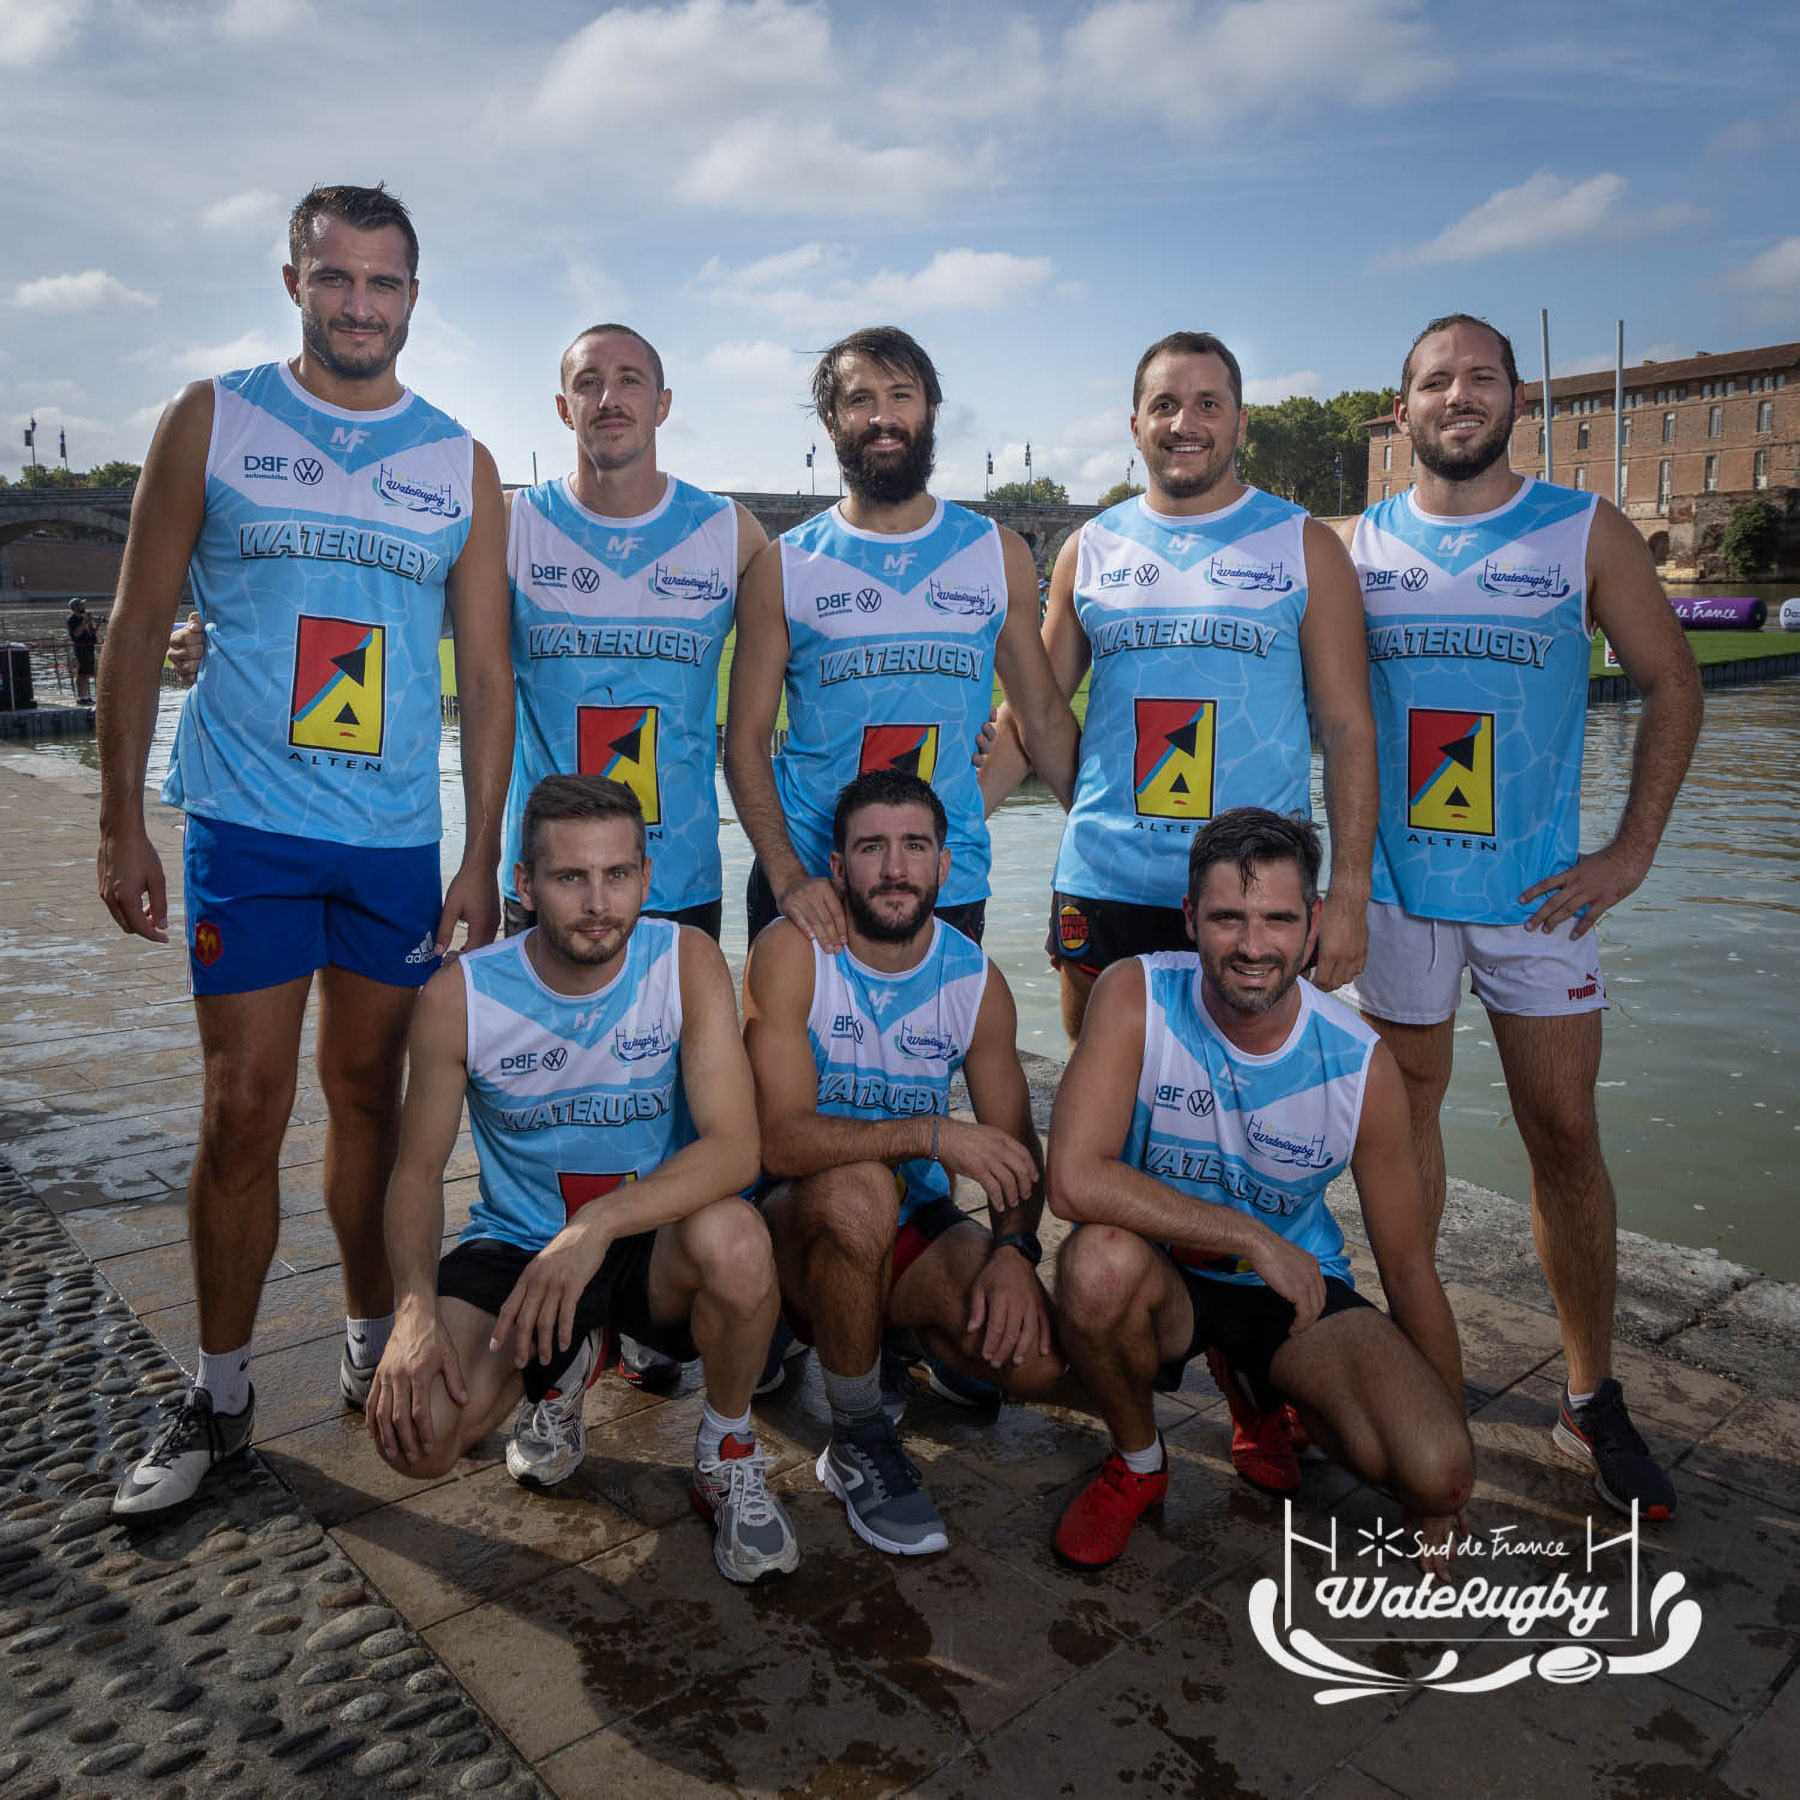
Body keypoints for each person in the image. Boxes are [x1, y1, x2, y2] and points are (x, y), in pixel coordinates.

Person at [167, 321, 764, 1397]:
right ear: (562, 408)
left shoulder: (733, 535)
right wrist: (226, 633)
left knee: (661, 1115)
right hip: (551, 880)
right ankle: (550, 1331)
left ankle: (637, 1321)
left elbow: (801, 643)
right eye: (590, 382)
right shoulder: (515, 521)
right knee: (537, 1106)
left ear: (665, 403)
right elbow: (405, 612)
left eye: (632, 381)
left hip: (678, 882)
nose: (612, 399)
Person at [98, 183, 514, 1517]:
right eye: (336, 280)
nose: (360, 306)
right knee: (241, 1112)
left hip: (394, 843)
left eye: (385, 285)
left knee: (375, 1105)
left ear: (411, 298)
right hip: (244, 826)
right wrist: (119, 818)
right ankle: (218, 1398)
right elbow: (135, 619)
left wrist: (480, 853)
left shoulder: (459, 462)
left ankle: (363, 1336)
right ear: (295, 283)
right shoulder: (213, 417)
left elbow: (490, 680)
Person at [1340, 313, 1702, 1521]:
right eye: (1435, 381)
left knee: (1562, 1130)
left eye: (1480, 378)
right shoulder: (1352, 546)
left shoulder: (1580, 528)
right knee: (1406, 1126)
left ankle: (1590, 1398)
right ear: (1402, 412)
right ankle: (1418, 1363)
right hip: (1396, 894)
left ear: (1517, 397)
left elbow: (1672, 680)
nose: (1459, 396)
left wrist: (1632, 851)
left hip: (1540, 898)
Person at [365, 776, 796, 1584]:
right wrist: (414, 1311)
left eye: (618, 875)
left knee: (738, 1240)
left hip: (644, 1244)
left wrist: (596, 1228)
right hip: (522, 1248)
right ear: (523, 885)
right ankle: (569, 1360)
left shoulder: (685, 959)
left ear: (645, 873)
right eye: (570, 878)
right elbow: (417, 1174)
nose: (598, 903)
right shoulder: (460, 995)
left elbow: (737, 1149)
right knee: (416, 1440)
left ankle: (727, 1446)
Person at [1047, 809, 1472, 1571]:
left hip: (1290, 1293)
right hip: (1164, 1276)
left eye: (1277, 919)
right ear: (1190, 919)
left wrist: (1448, 1471)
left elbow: (1408, 1271)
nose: (1252, 946)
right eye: (1227, 918)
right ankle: (1139, 1461)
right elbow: (1073, 1181)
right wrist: (1250, 1236)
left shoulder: (1361, 1065)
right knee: (1092, 1268)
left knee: (1436, 1470)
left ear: (1312, 926)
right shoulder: (1132, 995)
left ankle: (1255, 1384)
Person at [981, 331, 1377, 1043]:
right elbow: (1031, 714)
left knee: (1243, 1107)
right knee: (1100, 1107)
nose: (1184, 424)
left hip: (1251, 893)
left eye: (1207, 404)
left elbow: (1349, 729)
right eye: (1164, 405)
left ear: (1241, 421)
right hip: (1106, 879)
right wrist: (944, 824)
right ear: (1136, 425)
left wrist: (1348, 892)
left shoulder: (1304, 544)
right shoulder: (1090, 547)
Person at [742, 770, 1063, 1556]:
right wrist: (930, 1134)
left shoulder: (973, 979)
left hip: (906, 1216)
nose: (894, 868)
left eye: (914, 847)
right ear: (838, 866)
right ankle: (854, 1436)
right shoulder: (790, 954)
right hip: (781, 1217)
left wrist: (1017, 1252)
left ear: (945, 866)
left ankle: (890, 1331)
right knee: (856, 1193)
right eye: (872, 848)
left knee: (1035, 1368)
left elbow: (1015, 1145)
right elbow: (777, 1142)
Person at [725, 325, 1079, 952]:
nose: (882, 417)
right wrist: (786, 878)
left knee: (939, 1052)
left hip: (945, 882)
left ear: (932, 411)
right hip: (814, 884)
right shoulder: (785, 566)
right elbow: (746, 745)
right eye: (860, 400)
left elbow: (1044, 720)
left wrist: (1107, 840)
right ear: (832, 422)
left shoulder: (997, 554)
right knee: (784, 1053)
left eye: (901, 396)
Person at [66, 597, 99, 704]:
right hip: (80, 648)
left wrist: (97, 623)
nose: (84, 607)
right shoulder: (72, 619)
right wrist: (85, 621)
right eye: (81, 605)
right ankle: (81, 697)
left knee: (87, 673)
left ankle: (87, 696)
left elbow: (92, 632)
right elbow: (76, 633)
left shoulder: (84, 618)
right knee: (81, 673)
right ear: (75, 607)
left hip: (89, 647)